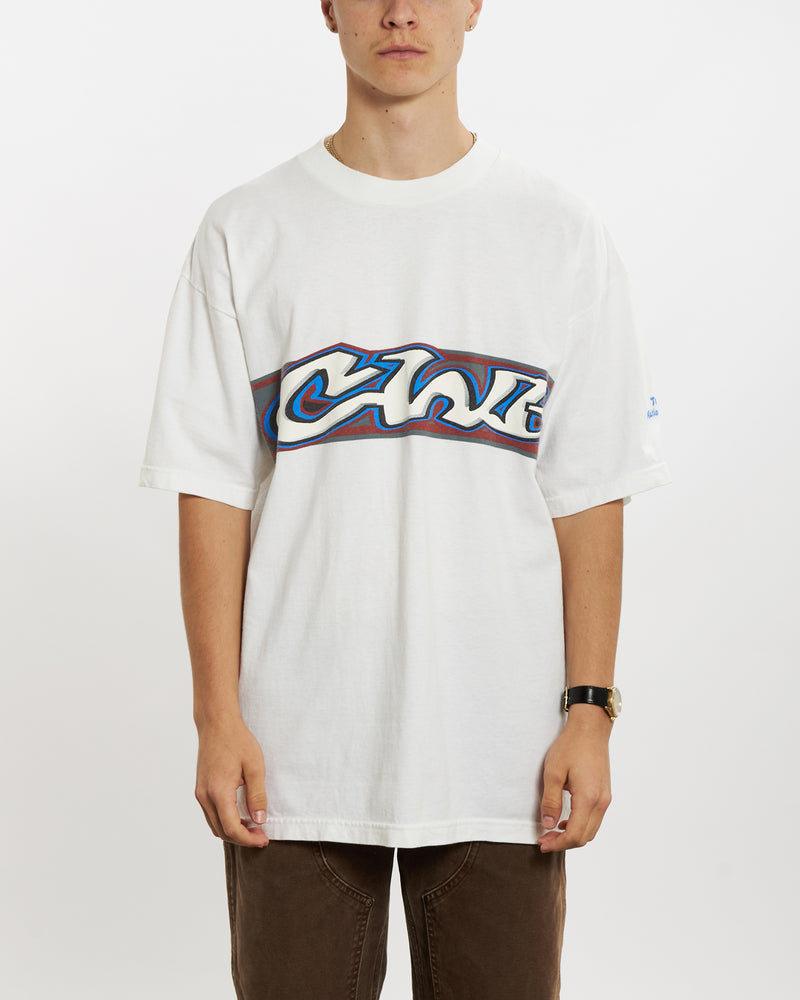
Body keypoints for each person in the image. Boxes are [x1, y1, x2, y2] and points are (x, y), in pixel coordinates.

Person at [138, 2, 670, 997]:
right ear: (327, 8)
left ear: (474, 6)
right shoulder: (247, 229)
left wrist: (589, 714)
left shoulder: (556, 233)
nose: (400, 11)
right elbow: (211, 488)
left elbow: (588, 496)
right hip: (294, 760)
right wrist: (217, 719)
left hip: (502, 760)